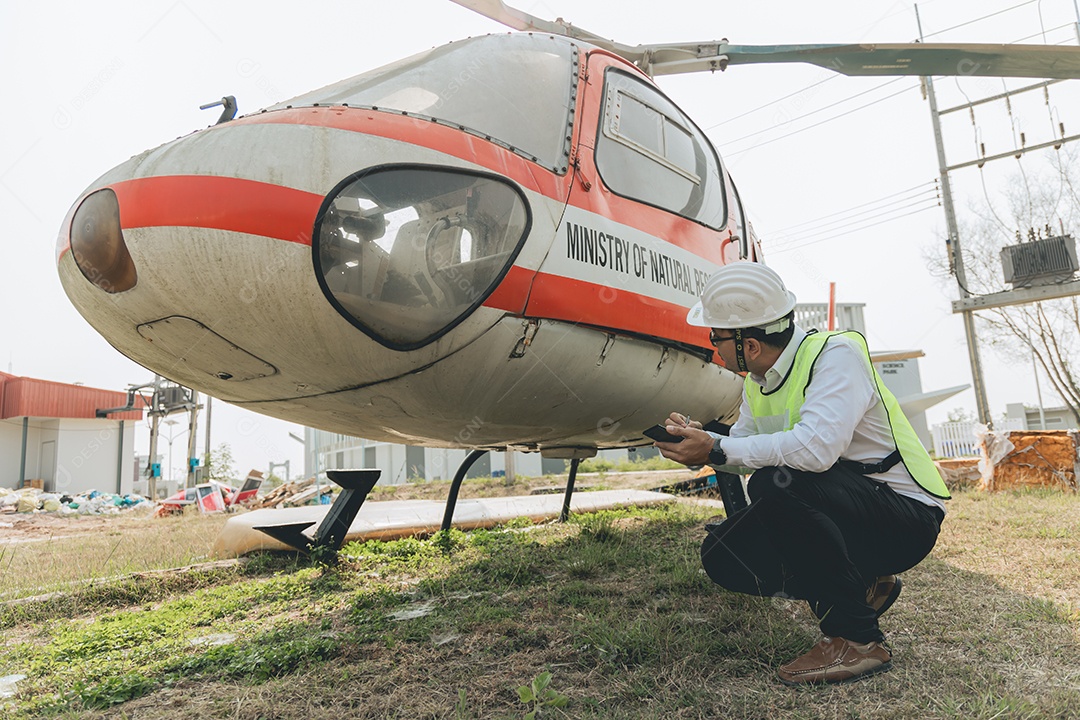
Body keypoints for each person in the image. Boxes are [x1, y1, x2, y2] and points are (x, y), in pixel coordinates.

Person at [654, 262, 948, 686]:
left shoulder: (836, 355)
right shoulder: (758, 380)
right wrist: (704, 446)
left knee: (775, 483)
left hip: (905, 518)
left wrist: (718, 447)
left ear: (749, 344)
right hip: (850, 510)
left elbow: (815, 450)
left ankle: (858, 639)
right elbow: (744, 448)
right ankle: (862, 584)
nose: (713, 347)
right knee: (724, 555)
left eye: (715, 337)